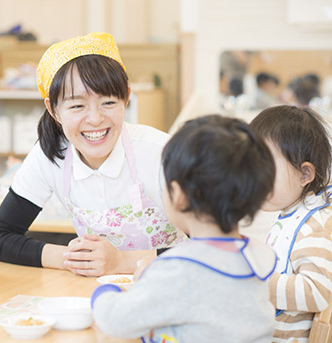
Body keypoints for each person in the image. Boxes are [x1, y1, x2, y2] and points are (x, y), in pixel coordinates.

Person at [0, 32, 186, 277]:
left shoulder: (162, 153)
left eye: (108, 103)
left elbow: (214, 246)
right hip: (97, 291)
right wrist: (71, 258)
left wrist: (121, 262)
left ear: (126, 99)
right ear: (53, 110)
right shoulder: (51, 154)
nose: (95, 119)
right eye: (77, 105)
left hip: (173, 284)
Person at [91, 115, 277, 342]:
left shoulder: (180, 270)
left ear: (178, 195)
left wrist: (105, 293)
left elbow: (115, 321)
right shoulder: (253, 256)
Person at [250, 105, 332, 342]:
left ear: (305, 175)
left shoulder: (315, 226)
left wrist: (258, 283)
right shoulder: (291, 213)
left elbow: (318, 291)